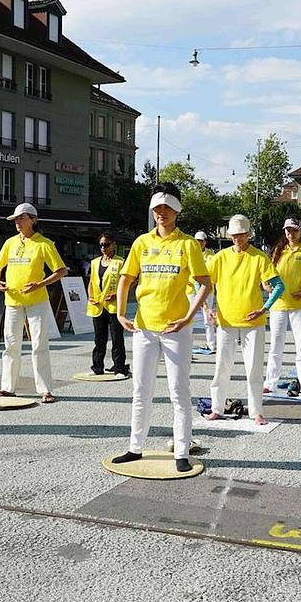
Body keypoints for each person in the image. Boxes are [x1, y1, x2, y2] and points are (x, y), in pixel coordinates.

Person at [112, 183, 211, 473]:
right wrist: (120, 311)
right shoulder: (142, 243)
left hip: (176, 329)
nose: (161, 213)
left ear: (176, 210)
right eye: (157, 208)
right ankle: (135, 447)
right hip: (144, 327)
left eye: (166, 208)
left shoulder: (188, 244)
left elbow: (205, 283)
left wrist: (189, 317)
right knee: (141, 390)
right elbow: (126, 278)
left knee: (179, 391)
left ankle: (182, 450)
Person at [204, 214, 284, 425]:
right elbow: (202, 284)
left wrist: (264, 308)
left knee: (254, 369)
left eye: (242, 235)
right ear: (230, 235)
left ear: (248, 234)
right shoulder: (219, 258)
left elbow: (278, 286)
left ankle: (256, 411)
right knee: (221, 368)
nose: (238, 239)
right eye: (234, 235)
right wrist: (206, 308)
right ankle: (216, 408)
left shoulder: (259, 257)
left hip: (253, 323)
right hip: (226, 322)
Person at [0, 203, 67, 404]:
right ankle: (8, 387)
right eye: (15, 219)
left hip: (37, 301)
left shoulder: (44, 244)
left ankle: (45, 389)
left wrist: (40, 284)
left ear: (33, 219)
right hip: (13, 300)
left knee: (39, 344)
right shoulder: (10, 243)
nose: (17, 222)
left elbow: (61, 270)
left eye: (21, 218)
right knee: (11, 344)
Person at [263, 218, 301, 395]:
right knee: (275, 346)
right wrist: (266, 285)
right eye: (288, 230)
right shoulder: (278, 250)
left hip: (300, 305)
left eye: (294, 230)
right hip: (279, 304)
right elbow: (266, 272)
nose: (291, 234)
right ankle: (270, 383)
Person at [87, 232, 129, 378]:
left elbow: (129, 282)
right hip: (98, 305)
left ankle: (120, 368)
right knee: (99, 338)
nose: (103, 248)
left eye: (106, 244)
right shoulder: (94, 262)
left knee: (117, 338)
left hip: (114, 305)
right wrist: (90, 296)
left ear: (113, 245)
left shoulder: (120, 262)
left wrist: (117, 294)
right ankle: (97, 366)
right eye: (101, 245)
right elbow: (91, 282)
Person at [187, 231, 217, 353]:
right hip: (191, 289)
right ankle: (187, 346)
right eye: (196, 241)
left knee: (207, 318)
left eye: (201, 241)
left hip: (207, 290)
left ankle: (211, 345)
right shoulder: (190, 254)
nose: (198, 244)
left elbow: (210, 275)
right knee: (189, 318)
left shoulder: (211, 257)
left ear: (205, 242)